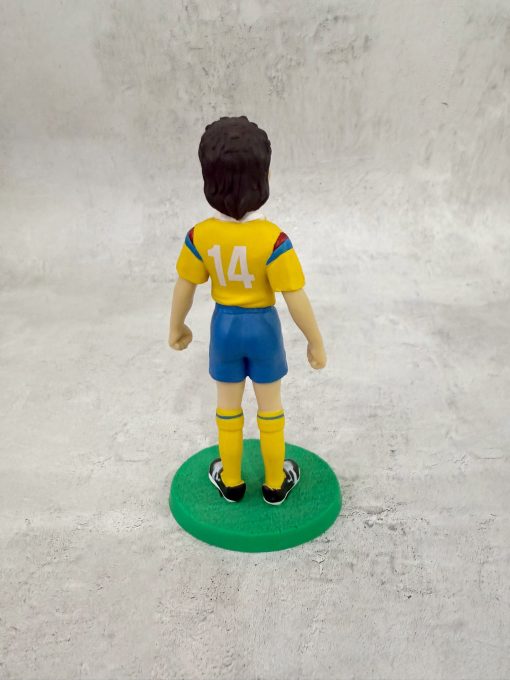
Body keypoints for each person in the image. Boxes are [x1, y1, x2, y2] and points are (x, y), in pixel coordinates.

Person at [169, 115, 326, 505]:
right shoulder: (273, 239)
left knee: (227, 408)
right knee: (270, 409)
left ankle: (232, 480)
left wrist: (176, 326)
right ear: (264, 178)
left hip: (224, 328)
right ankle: (274, 483)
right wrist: (315, 341)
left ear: (208, 180)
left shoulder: (200, 236)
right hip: (263, 330)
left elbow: (185, 285)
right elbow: (295, 296)